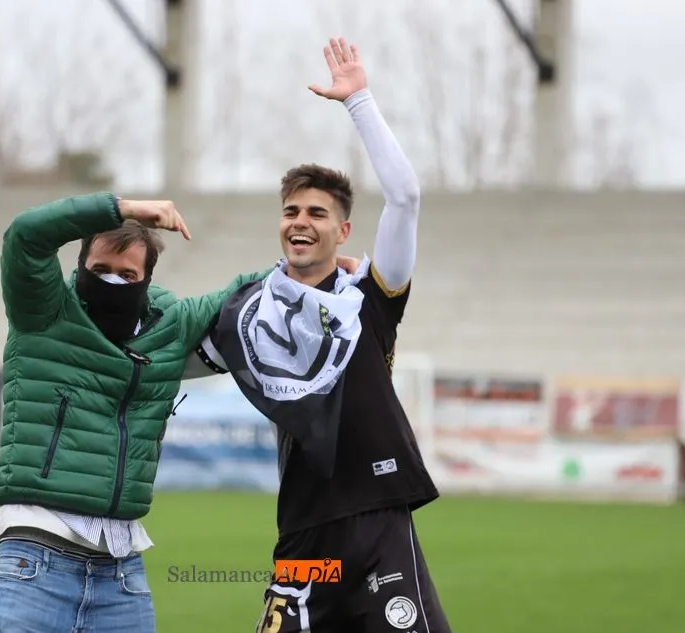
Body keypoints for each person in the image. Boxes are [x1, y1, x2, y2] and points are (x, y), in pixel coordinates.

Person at [195, 38, 453, 632]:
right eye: (290, 211)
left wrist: (358, 100)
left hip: (379, 527)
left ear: (343, 230)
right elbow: (187, 358)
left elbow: (406, 197)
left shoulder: (371, 299)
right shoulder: (256, 314)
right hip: (305, 534)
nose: (300, 222)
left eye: (315, 213)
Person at [0, 193, 273, 633]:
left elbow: (245, 293)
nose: (113, 281)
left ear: (146, 281)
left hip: (121, 576)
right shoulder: (43, 310)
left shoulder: (169, 326)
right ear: (79, 268)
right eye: (100, 270)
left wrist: (313, 273)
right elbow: (25, 236)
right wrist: (122, 209)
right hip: (34, 564)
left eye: (127, 274)